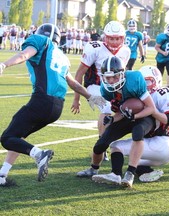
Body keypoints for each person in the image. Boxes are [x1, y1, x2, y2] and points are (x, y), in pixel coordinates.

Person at [0, 23, 105, 186]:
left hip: (42, 100)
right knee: (18, 137)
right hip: (57, 107)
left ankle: (40, 154)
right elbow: (73, 84)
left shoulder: (40, 41)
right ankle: (2, 175)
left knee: (7, 138)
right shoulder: (61, 56)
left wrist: (4, 64)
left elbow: (24, 55)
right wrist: (91, 97)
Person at [77, 56, 156, 188]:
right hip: (125, 116)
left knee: (137, 133)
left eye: (114, 77)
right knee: (100, 145)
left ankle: (130, 173)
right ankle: (93, 169)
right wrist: (113, 118)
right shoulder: (105, 90)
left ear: (122, 73)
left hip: (144, 115)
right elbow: (121, 110)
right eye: (108, 78)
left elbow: (151, 108)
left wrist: (135, 117)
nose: (111, 80)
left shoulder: (134, 79)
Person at [92, 65, 169, 185]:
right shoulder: (134, 94)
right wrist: (113, 118)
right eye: (143, 81)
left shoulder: (161, 94)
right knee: (135, 156)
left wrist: (152, 110)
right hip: (151, 147)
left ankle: (121, 174)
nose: (145, 85)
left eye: (147, 81)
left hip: (161, 141)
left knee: (118, 146)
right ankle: (143, 170)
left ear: (156, 80)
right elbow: (122, 113)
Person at [72, 21, 130, 166]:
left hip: (114, 88)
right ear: (105, 37)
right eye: (111, 38)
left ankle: (110, 143)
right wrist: (77, 98)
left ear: (122, 38)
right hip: (94, 85)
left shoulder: (126, 51)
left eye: (117, 38)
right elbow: (79, 73)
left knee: (124, 110)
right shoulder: (94, 48)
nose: (114, 41)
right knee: (106, 108)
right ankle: (102, 145)